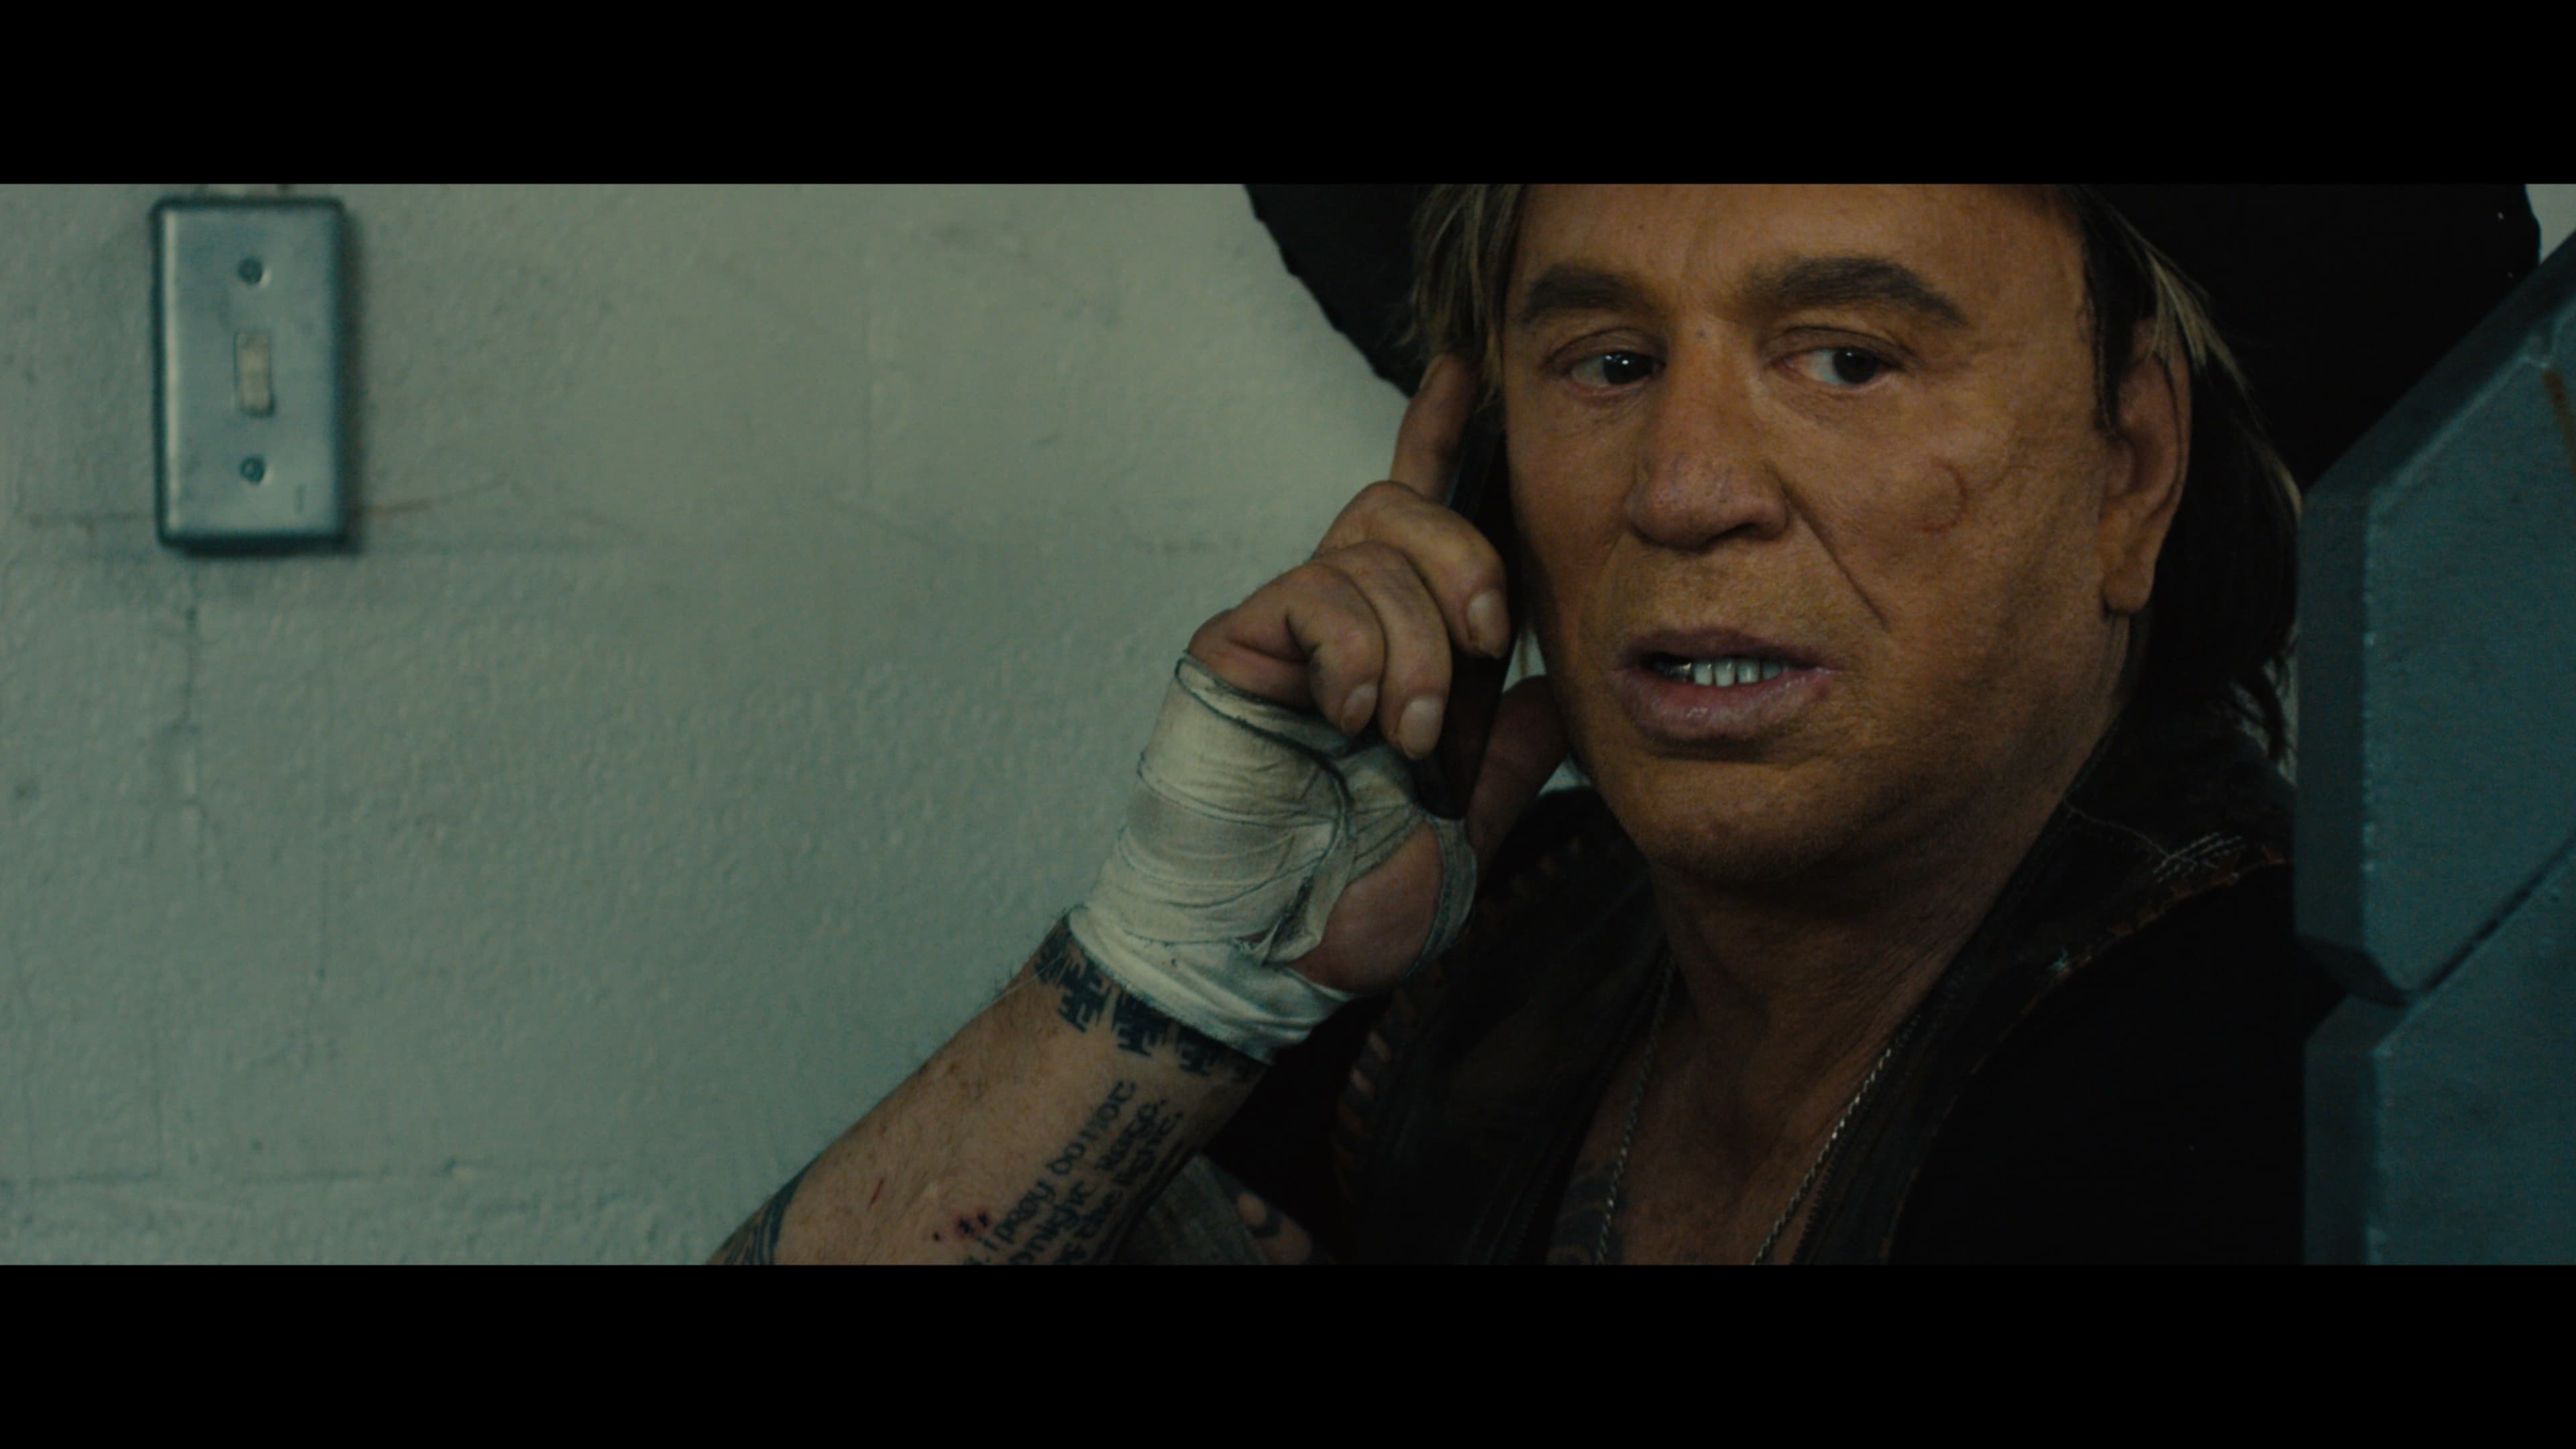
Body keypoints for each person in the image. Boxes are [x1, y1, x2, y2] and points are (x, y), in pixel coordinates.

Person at [711, 184, 2538, 1265]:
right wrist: (1178, 967)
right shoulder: (1496, 953)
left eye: (1846, 359)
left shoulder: (2290, 1090)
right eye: (1608, 363)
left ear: (2129, 467)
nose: (1682, 489)